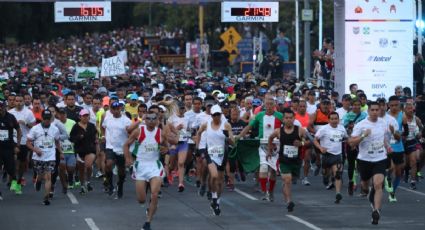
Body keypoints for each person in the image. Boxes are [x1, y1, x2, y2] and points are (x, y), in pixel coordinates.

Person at [124, 110, 177, 230]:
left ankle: (148, 222)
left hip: (154, 165)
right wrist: (128, 159)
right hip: (141, 166)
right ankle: (147, 203)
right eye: (149, 118)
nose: (151, 121)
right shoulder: (139, 131)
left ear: (157, 120)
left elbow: (170, 146)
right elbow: (126, 145)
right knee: (141, 200)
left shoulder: (161, 133)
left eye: (154, 118)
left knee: (154, 194)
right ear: (145, 119)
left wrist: (168, 149)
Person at [349, 102, 392, 225]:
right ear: (368, 111)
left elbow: (383, 138)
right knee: (364, 186)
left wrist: (387, 146)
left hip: (380, 158)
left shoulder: (383, 123)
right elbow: (352, 143)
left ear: (380, 111)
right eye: (372, 110)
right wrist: (363, 135)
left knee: (378, 185)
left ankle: (376, 211)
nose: (374, 112)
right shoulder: (361, 125)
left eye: (376, 110)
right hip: (365, 159)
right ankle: (367, 193)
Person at [239, 97, 283, 201]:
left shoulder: (280, 116)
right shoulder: (259, 115)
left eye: (271, 104)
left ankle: (271, 191)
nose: (269, 106)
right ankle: (265, 192)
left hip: (276, 146)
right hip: (263, 145)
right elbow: (249, 127)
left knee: (272, 171)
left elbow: (287, 127)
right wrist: (239, 136)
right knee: (263, 168)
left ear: (274, 105)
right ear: (264, 105)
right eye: (267, 104)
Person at [197, 105, 234, 216]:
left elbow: (233, 142)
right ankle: (213, 197)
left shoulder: (226, 125)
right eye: (214, 115)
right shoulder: (206, 124)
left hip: (222, 154)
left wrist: (228, 137)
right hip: (210, 153)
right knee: (213, 176)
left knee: (220, 181)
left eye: (219, 114)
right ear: (211, 115)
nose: (217, 117)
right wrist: (198, 146)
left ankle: (217, 202)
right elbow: (198, 133)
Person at [268, 108, 308, 212]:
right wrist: (270, 149)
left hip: (296, 161)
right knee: (287, 179)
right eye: (286, 118)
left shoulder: (300, 130)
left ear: (294, 119)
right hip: (283, 160)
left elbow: (310, 141)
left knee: (291, 180)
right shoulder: (278, 131)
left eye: (291, 118)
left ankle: (286, 191)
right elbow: (270, 138)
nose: (289, 120)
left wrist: (302, 143)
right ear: (283, 119)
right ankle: (289, 202)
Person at [26, 109, 62, 205]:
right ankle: (38, 180)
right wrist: (35, 150)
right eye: (45, 118)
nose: (47, 120)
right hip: (38, 157)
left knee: (48, 176)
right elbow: (28, 143)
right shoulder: (35, 129)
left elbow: (57, 141)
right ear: (42, 118)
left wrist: (61, 152)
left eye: (48, 119)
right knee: (40, 175)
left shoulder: (55, 129)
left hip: (50, 157)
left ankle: (46, 198)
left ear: (51, 118)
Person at [313, 112, 348, 203]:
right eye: (332, 119)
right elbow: (315, 140)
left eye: (336, 118)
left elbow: (346, 138)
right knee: (326, 175)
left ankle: (338, 193)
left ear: (338, 119)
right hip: (326, 155)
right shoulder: (324, 129)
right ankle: (326, 178)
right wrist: (320, 148)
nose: (334, 121)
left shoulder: (342, 128)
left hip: (337, 155)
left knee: (338, 174)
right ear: (328, 120)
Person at [102, 101, 131, 198]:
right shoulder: (107, 119)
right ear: (111, 109)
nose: (115, 111)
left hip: (122, 148)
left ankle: (120, 185)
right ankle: (110, 184)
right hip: (110, 146)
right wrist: (103, 136)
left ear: (120, 109)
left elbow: (130, 131)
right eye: (113, 109)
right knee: (108, 164)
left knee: (121, 170)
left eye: (117, 108)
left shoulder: (126, 120)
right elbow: (103, 127)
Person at [8, 94, 36, 193]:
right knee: (14, 162)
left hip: (24, 141)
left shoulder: (28, 112)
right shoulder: (10, 113)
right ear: (14, 102)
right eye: (17, 101)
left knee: (22, 163)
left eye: (21, 101)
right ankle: (13, 180)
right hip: (12, 141)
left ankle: (19, 181)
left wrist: (25, 123)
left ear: (24, 101)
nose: (19, 103)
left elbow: (33, 126)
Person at [342, 98, 368, 195]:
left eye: (358, 105)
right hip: (351, 141)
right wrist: (349, 126)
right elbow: (343, 128)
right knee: (351, 164)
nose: (357, 107)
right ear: (351, 105)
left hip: (362, 142)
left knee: (362, 164)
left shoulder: (365, 115)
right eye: (355, 105)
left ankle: (363, 185)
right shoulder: (347, 116)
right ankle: (351, 182)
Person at [70, 109, 98, 195]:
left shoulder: (92, 126)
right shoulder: (76, 126)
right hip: (80, 150)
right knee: (81, 170)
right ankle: (82, 186)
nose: (86, 117)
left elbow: (96, 136)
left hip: (90, 149)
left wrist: (97, 143)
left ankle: (88, 181)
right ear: (80, 117)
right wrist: (79, 137)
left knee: (88, 165)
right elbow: (71, 138)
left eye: (87, 116)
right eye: (84, 116)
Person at [0, 99, 22, 197]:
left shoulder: (11, 117)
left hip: (8, 147)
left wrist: (17, 145)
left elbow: (18, 130)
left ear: (4, 107)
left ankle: (16, 185)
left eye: (1, 108)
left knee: (11, 169)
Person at [403, 101, 423, 190]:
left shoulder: (416, 119)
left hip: (413, 141)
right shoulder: (401, 118)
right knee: (404, 164)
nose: (411, 110)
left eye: (412, 108)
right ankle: (406, 171)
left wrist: (420, 134)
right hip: (402, 143)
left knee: (414, 160)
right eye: (409, 109)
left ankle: (413, 181)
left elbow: (421, 129)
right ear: (405, 109)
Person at [57, 108, 76, 194]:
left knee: (70, 168)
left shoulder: (72, 123)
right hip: (60, 150)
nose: (62, 116)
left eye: (63, 114)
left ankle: (71, 176)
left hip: (71, 150)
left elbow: (77, 133)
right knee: (62, 167)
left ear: (66, 115)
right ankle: (64, 185)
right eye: (60, 114)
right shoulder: (55, 124)